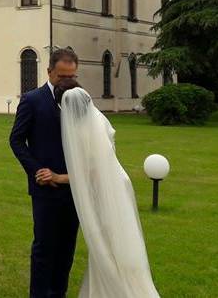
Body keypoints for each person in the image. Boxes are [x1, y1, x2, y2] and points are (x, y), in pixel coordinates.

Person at [50, 79, 160, 298]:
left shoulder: (79, 132)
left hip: (104, 190)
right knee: (120, 239)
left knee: (107, 243)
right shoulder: (98, 120)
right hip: (119, 182)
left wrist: (57, 177)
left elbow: (90, 172)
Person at [9, 47, 80, 298]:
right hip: (44, 189)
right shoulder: (32, 100)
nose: (67, 82)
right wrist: (37, 171)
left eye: (71, 76)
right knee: (44, 249)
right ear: (49, 72)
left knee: (67, 249)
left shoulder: (80, 99)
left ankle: (58, 293)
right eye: (62, 77)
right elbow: (16, 140)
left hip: (74, 188)